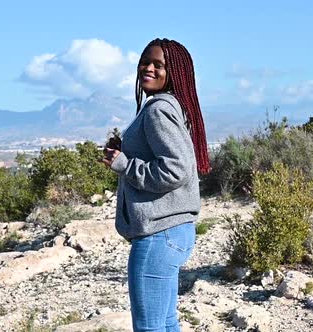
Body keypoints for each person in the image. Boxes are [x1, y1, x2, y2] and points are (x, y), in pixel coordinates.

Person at [101, 38, 210, 332]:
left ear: (173, 71)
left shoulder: (158, 110)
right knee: (165, 323)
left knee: (150, 327)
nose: (148, 68)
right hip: (173, 232)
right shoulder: (173, 105)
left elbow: (175, 169)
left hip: (158, 235)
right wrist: (127, 152)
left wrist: (124, 165)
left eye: (158, 65)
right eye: (145, 62)